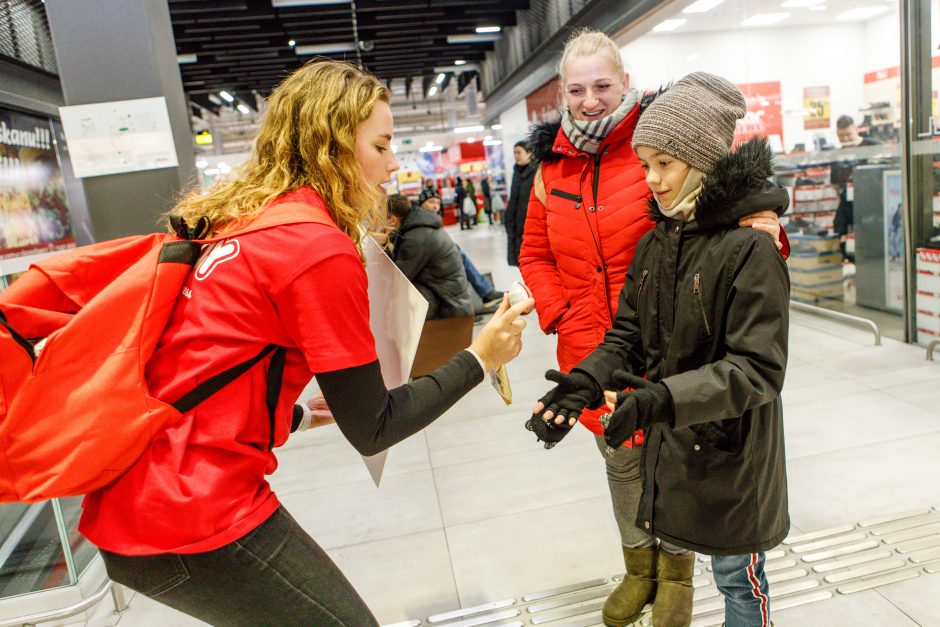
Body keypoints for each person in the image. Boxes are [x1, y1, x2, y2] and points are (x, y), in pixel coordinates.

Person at [79, 59, 532, 627]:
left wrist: (288, 416)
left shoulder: (245, 222)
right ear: (333, 145)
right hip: (188, 515)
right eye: (382, 145)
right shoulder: (313, 247)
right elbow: (376, 427)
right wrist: (480, 357)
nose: (393, 165)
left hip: (141, 499)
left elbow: (207, 359)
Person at [518, 29, 785, 627]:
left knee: (737, 573)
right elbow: (620, 328)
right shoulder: (655, 236)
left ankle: (678, 588)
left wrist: (660, 394)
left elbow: (757, 366)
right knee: (637, 483)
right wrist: (582, 378)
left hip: (722, 432)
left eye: (662, 166)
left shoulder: (740, 243)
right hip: (647, 387)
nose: (653, 180)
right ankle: (651, 579)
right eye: (646, 167)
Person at [387, 193, 475, 319]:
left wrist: (383, 243)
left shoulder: (416, 238)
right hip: (447, 299)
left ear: (393, 219)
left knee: (395, 299)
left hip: (449, 307)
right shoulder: (417, 226)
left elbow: (397, 278)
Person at [414, 195, 504, 311]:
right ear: (421, 203)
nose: (435, 206)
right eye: (431, 202)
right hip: (429, 262)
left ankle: (481, 298)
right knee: (459, 259)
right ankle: (482, 297)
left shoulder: (429, 219)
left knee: (460, 256)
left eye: (437, 203)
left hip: (431, 258)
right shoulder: (422, 222)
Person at [504, 140, 537, 266]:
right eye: (514, 153)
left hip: (530, 222)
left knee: (532, 262)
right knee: (520, 261)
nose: (516, 156)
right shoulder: (516, 172)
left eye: (519, 152)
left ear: (529, 153)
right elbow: (514, 198)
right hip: (515, 223)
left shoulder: (536, 171)